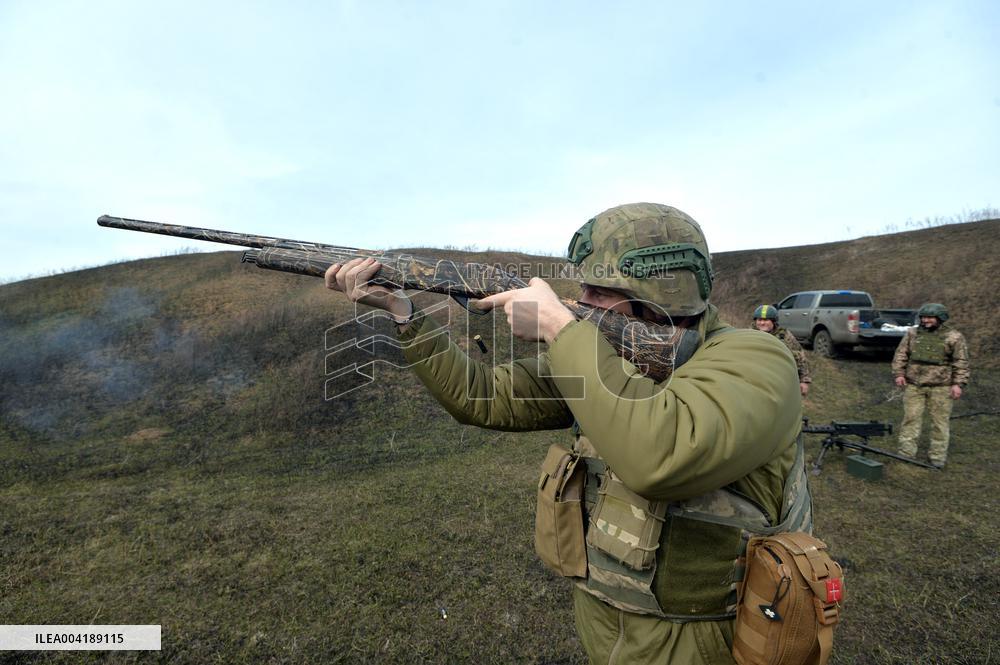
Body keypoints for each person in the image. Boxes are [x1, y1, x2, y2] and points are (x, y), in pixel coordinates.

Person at [324, 203, 810, 664]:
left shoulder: (756, 359)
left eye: (599, 291)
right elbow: (482, 396)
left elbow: (661, 457)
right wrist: (402, 312)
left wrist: (561, 331)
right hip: (606, 625)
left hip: (710, 641)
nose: (581, 302)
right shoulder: (606, 355)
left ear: (662, 292)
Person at [891, 303, 969, 468]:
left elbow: (961, 362)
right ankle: (906, 453)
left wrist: (958, 384)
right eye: (923, 317)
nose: (925, 320)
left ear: (940, 318)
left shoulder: (954, 337)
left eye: (930, 318)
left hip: (941, 387)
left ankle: (937, 458)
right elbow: (901, 354)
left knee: (940, 423)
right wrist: (899, 374)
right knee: (910, 419)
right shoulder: (912, 333)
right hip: (914, 385)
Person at [752, 304, 812, 396]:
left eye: (766, 320)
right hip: (755, 380)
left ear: (774, 321)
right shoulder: (749, 334)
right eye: (759, 320)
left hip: (778, 381)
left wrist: (804, 380)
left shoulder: (784, 336)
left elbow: (799, 356)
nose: (762, 323)